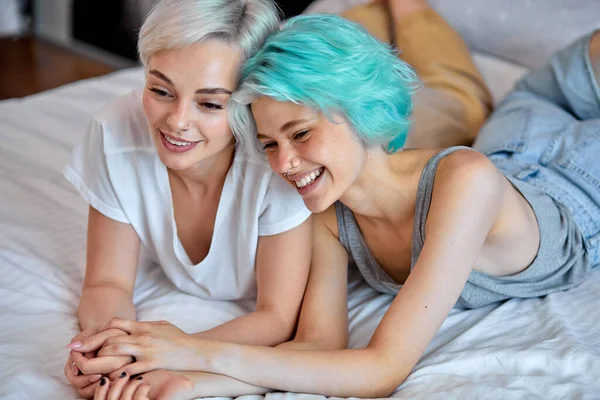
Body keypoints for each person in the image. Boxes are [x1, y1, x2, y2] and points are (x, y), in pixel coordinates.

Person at [73, 13, 600, 399]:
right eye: (269, 144)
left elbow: (381, 369)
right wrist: (187, 382)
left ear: (358, 111)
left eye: (300, 133)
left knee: (583, 65)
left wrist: (193, 350)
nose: (284, 164)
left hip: (578, 178)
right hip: (514, 138)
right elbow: (315, 348)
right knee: (540, 92)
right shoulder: (326, 215)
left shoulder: (464, 181)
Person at [62, 1, 313, 398]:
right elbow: (106, 282)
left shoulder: (279, 161)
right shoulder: (114, 132)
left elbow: (277, 317)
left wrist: (168, 355)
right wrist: (112, 352)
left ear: (250, 101)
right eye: (160, 90)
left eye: (210, 103)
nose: (177, 121)